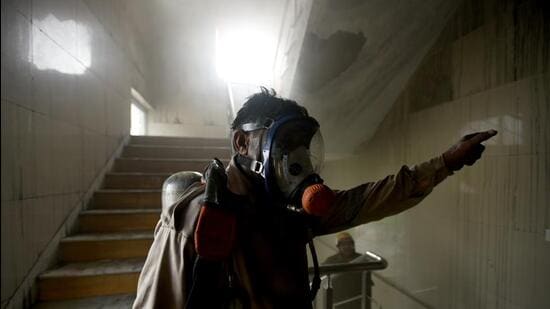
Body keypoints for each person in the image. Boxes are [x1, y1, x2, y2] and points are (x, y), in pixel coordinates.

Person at [133, 88, 497, 308]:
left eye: (302, 146)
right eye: (285, 142)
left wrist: (446, 163)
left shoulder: (290, 209)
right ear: (242, 143)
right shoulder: (200, 217)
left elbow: (372, 198)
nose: (296, 157)